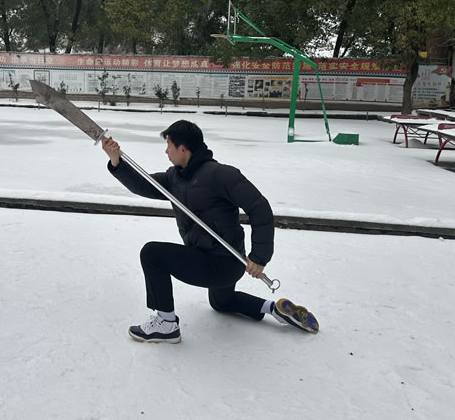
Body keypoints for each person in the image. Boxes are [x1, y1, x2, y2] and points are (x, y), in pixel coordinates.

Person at [102, 119, 318, 344]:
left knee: (152, 254)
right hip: (218, 262)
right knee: (222, 302)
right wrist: (116, 161)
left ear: (183, 148)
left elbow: (259, 208)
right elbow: (145, 185)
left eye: (169, 145)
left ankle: (166, 324)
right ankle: (274, 309)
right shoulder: (175, 177)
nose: (166, 151)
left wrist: (259, 258)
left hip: (221, 262)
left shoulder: (220, 175)